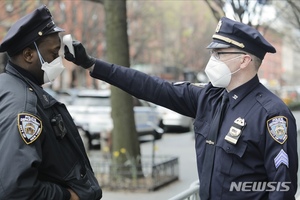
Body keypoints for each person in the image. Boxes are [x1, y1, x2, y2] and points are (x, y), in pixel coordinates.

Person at [65, 16, 298, 199]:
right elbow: (151, 87)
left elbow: (282, 186)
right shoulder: (209, 97)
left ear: (244, 60)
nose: (212, 60)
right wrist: (93, 64)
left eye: (219, 54)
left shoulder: (272, 114)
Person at [0, 5, 102, 200]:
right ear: (29, 55)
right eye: (54, 54)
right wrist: (68, 196)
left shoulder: (10, 86)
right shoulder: (24, 106)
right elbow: (16, 189)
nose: (59, 61)